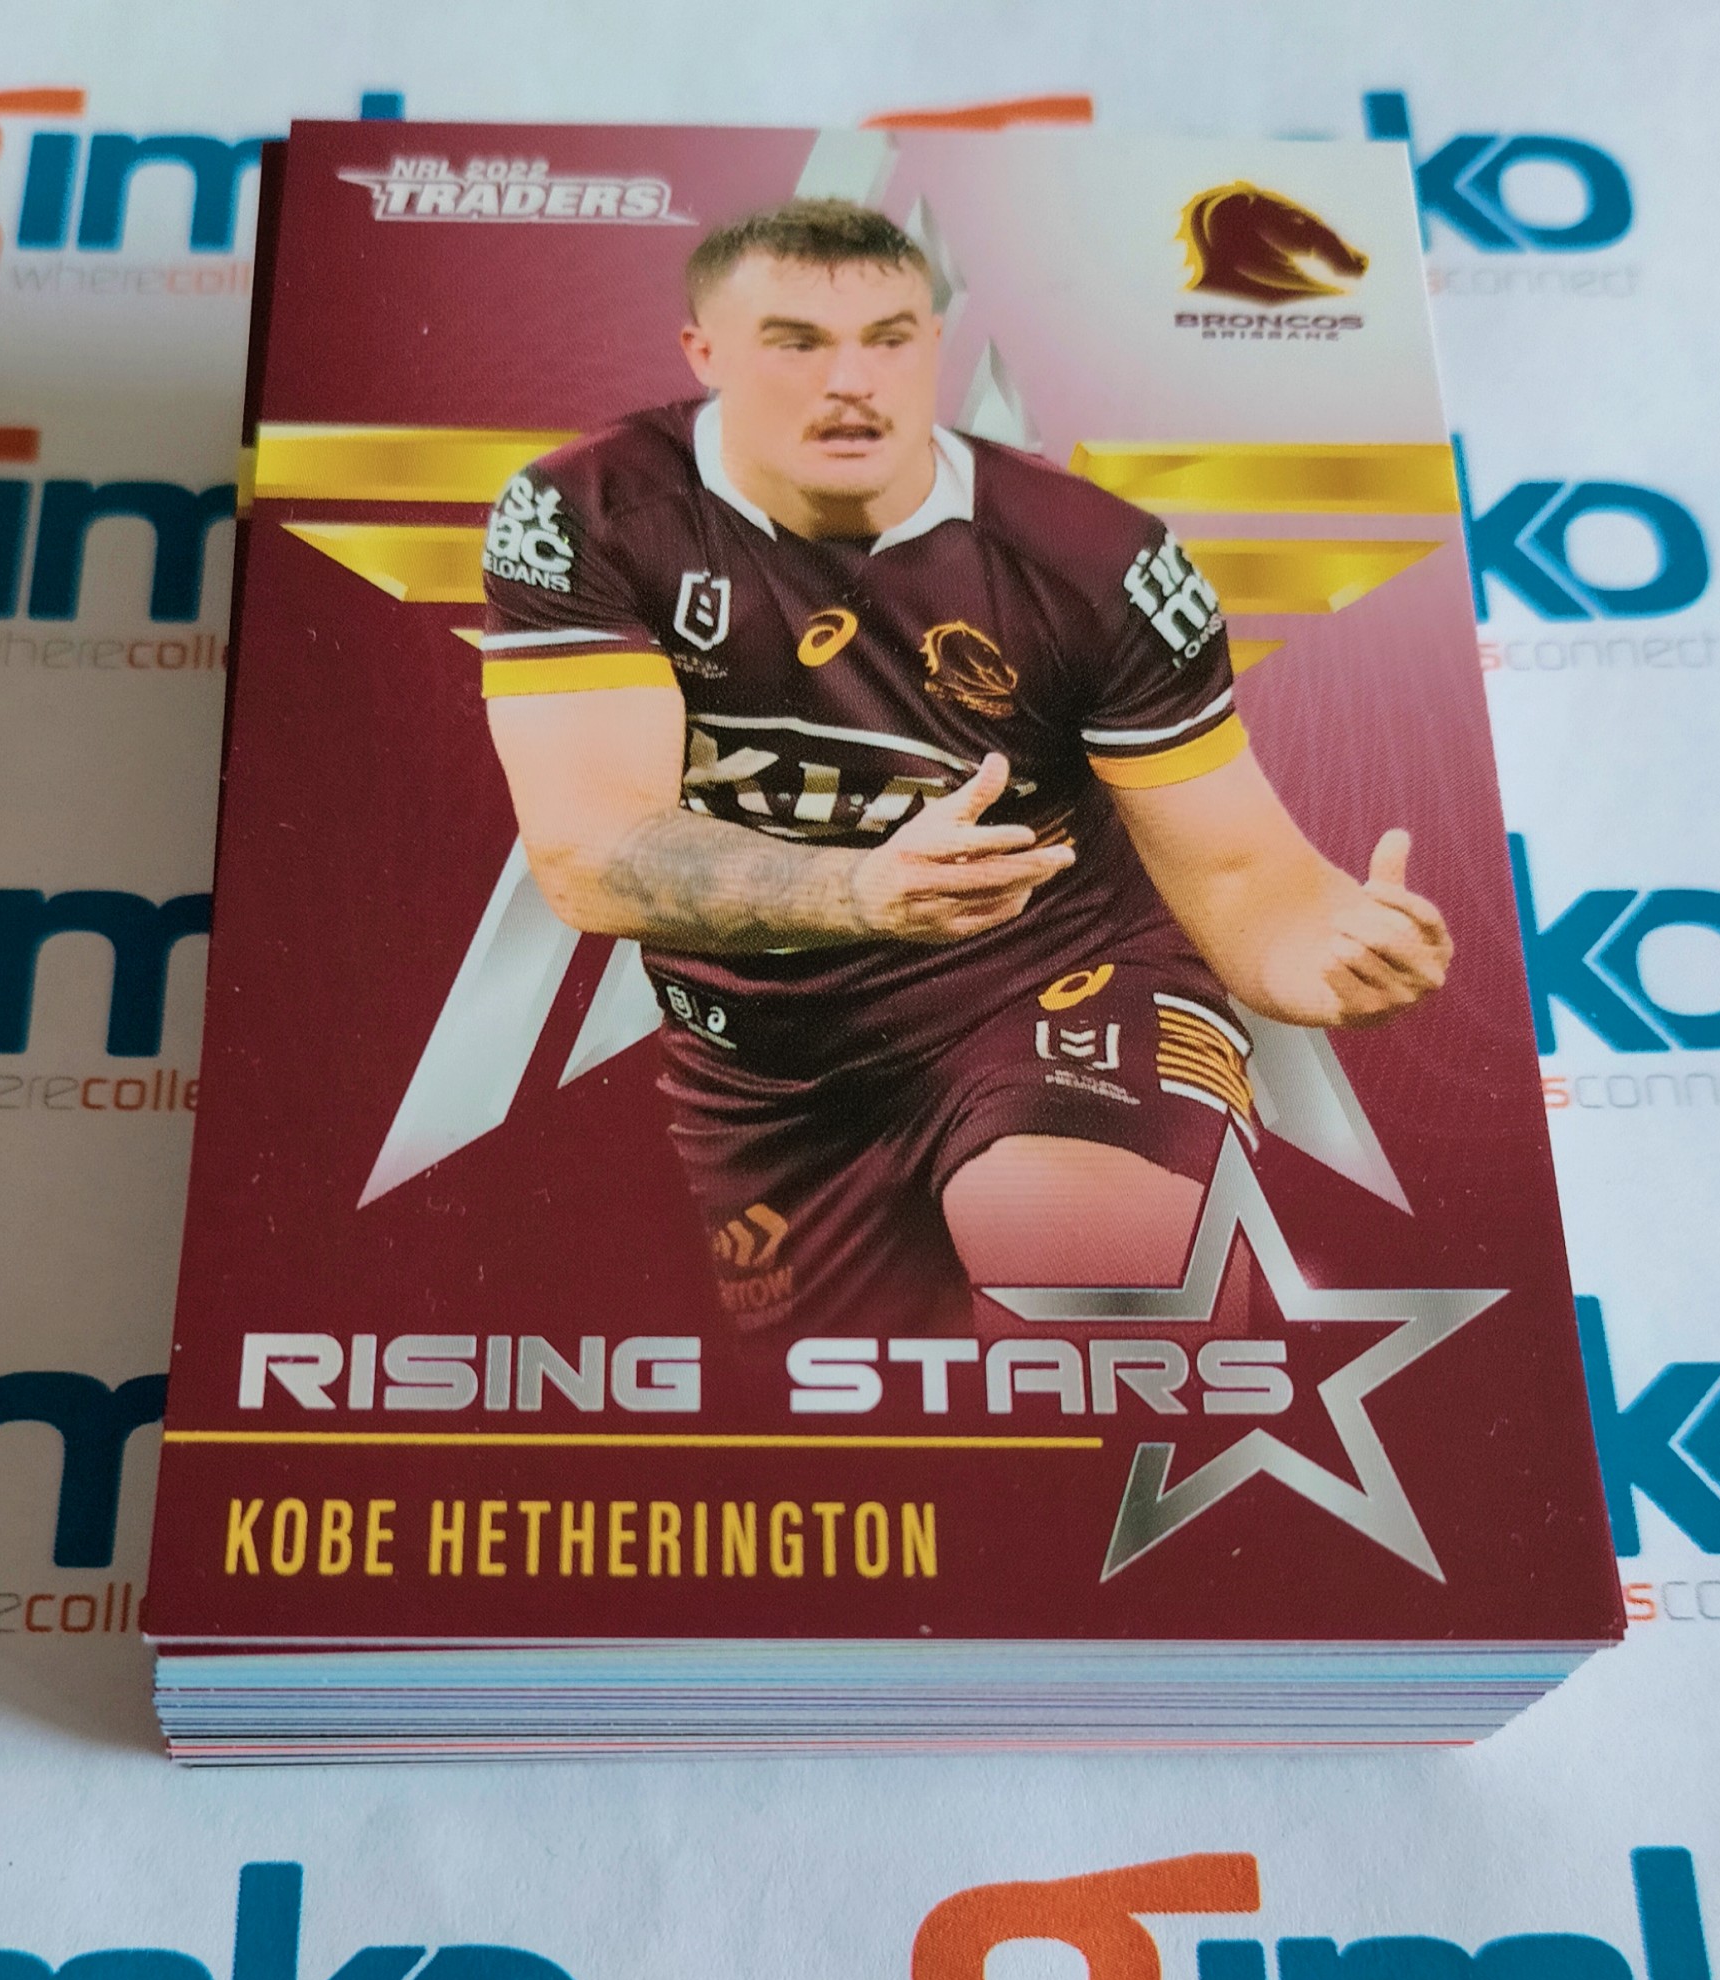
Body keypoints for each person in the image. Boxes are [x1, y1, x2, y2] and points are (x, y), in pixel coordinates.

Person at [479, 199, 1448, 1337]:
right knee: (846, 1407)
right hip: (764, 1065)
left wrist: (1324, 960)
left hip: (1050, 980)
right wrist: (860, 889)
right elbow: (590, 852)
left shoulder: (1099, 560)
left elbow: (1244, 880)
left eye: (888, 339)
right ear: (705, 355)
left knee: (1102, 1315)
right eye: (796, 343)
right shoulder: (590, 513)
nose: (852, 381)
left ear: (932, 343)